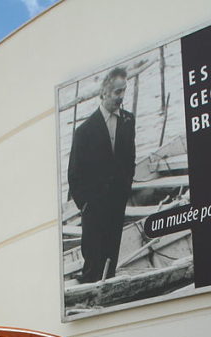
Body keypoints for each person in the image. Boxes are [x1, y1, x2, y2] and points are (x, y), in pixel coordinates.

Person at [67, 67, 136, 283]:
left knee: (112, 251)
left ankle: (110, 286)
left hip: (117, 199)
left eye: (124, 91)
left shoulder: (128, 120)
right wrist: (85, 204)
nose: (121, 96)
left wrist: (125, 188)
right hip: (94, 205)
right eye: (117, 92)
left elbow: (129, 158)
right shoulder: (85, 131)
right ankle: (89, 287)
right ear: (104, 93)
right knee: (93, 256)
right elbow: (74, 174)